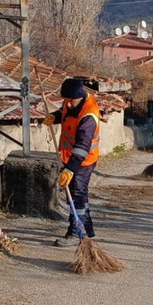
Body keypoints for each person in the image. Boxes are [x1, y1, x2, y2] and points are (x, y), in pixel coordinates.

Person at [44, 79, 100, 247]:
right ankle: (87, 229)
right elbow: (65, 113)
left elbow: (82, 147)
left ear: (80, 97)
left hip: (83, 161)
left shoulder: (88, 116)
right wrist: (54, 117)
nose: (67, 105)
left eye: (70, 101)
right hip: (70, 158)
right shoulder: (73, 104)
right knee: (78, 194)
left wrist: (70, 169)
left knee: (76, 195)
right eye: (65, 100)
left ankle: (76, 233)